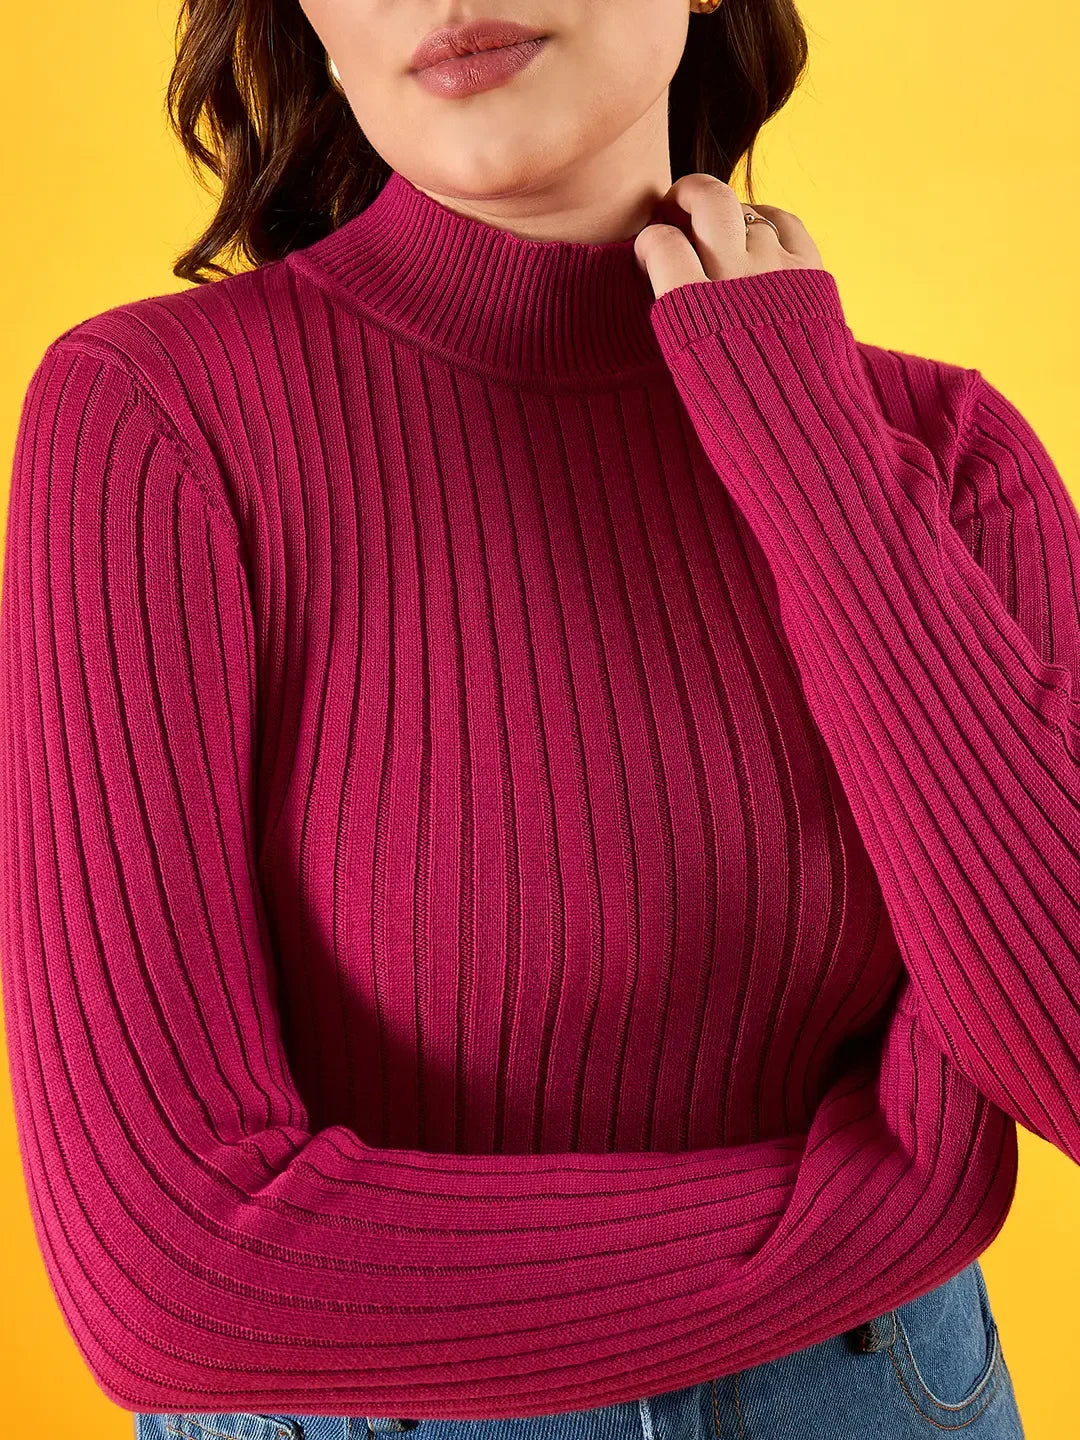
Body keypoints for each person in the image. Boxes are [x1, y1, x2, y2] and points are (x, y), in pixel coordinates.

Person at [8, 0, 1080, 1434]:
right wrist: (884, 1204)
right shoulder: (154, 421)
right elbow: (174, 1283)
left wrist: (810, 447)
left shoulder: (941, 457)